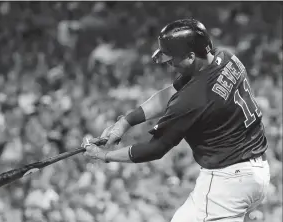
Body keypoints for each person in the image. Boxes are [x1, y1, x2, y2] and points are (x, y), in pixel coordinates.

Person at [82, 18, 270, 222]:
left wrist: (104, 155)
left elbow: (155, 149)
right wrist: (125, 122)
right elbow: (169, 94)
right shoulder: (224, 57)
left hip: (227, 183)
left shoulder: (193, 99)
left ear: (190, 56)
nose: (169, 64)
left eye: (172, 59)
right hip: (254, 172)